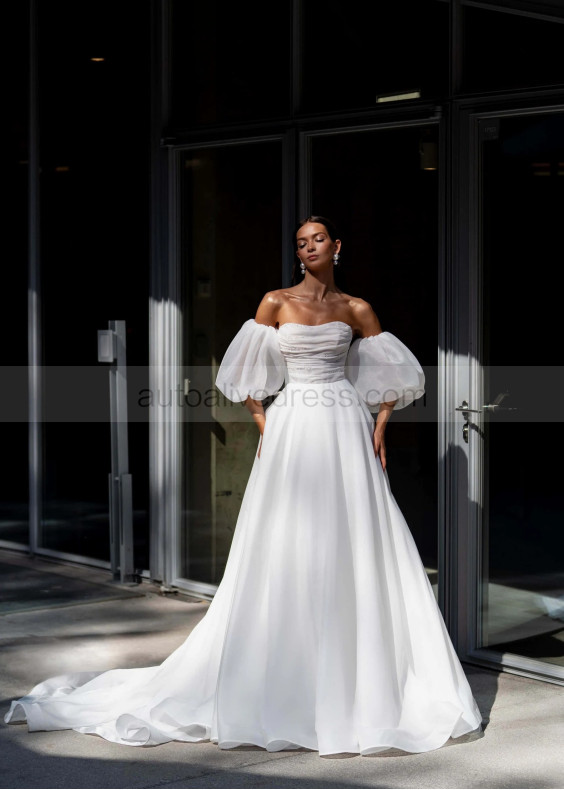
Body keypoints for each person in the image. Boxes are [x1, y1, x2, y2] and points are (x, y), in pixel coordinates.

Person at [5, 216, 483, 756]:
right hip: (295, 423)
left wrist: (378, 427)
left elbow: (391, 373)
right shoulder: (274, 302)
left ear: (337, 246)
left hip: (344, 423)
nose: (309, 248)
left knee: (353, 535)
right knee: (286, 539)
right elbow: (242, 373)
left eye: (317, 239)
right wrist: (266, 424)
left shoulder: (357, 309)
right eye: (301, 243)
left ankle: (361, 673)